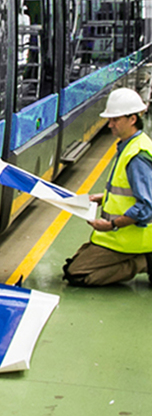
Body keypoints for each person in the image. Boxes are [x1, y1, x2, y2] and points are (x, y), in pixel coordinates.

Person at [63, 87, 152, 286]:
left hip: (131, 237)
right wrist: (103, 198)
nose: (110, 125)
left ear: (132, 119)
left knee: (76, 274)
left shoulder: (137, 156)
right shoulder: (131, 144)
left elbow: (146, 207)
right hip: (121, 235)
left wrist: (111, 225)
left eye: (115, 120)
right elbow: (131, 191)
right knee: (75, 262)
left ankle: (144, 261)